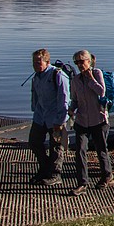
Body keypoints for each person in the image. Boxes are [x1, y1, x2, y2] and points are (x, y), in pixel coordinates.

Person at [69, 50, 114, 195]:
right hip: (82, 120)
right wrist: (71, 110)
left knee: (101, 150)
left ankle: (106, 175)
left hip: (98, 119)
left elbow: (101, 92)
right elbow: (75, 99)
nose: (79, 65)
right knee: (80, 150)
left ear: (89, 61)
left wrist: (90, 79)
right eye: (76, 62)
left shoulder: (97, 74)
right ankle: (82, 183)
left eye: (82, 61)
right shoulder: (75, 80)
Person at [28, 48, 70, 186]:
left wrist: (61, 120)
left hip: (56, 117)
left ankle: (55, 174)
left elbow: (64, 99)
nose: (35, 65)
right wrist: (34, 109)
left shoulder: (57, 75)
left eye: (38, 62)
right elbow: (35, 95)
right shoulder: (36, 76)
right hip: (40, 116)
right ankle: (45, 169)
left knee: (56, 147)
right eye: (34, 62)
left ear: (47, 62)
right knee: (34, 142)